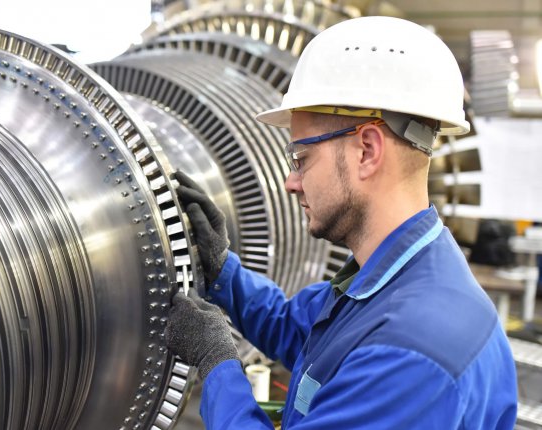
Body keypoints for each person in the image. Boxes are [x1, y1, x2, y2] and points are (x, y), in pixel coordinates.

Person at [165, 16, 518, 429]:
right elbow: (299, 330)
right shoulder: (393, 277)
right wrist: (223, 271)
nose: (290, 182)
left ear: (366, 150)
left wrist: (217, 362)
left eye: (301, 159)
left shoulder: (411, 352)